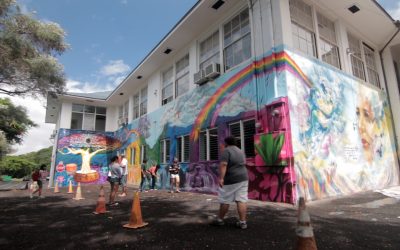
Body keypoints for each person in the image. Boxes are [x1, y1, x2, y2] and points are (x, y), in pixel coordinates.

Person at [211, 136, 249, 229]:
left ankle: (220, 220)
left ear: (226, 143)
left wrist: (221, 178)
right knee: (241, 199)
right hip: (243, 178)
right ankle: (243, 222)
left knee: (225, 200)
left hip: (231, 179)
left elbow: (224, 164)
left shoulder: (226, 151)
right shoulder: (240, 151)